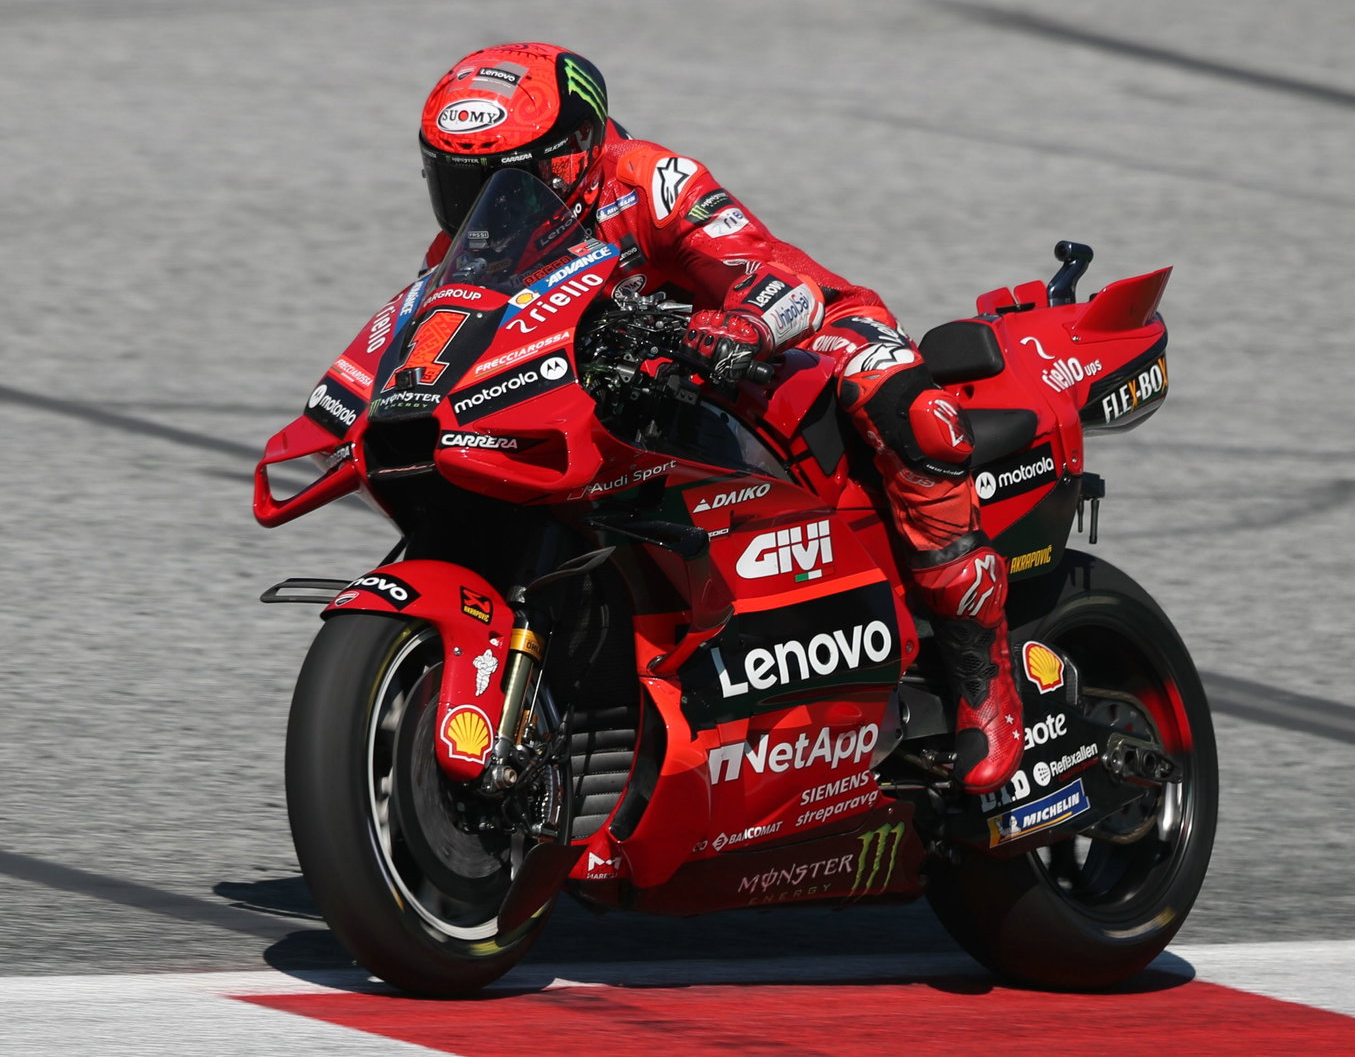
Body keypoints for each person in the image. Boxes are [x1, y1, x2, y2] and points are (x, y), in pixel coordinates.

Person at [417, 43, 1022, 793]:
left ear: (569, 154)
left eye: (497, 178)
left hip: (786, 344)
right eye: (455, 177)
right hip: (639, 394)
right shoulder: (472, 246)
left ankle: (982, 682)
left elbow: (782, 280)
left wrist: (741, 326)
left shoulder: (650, 182)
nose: (476, 201)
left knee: (904, 408)